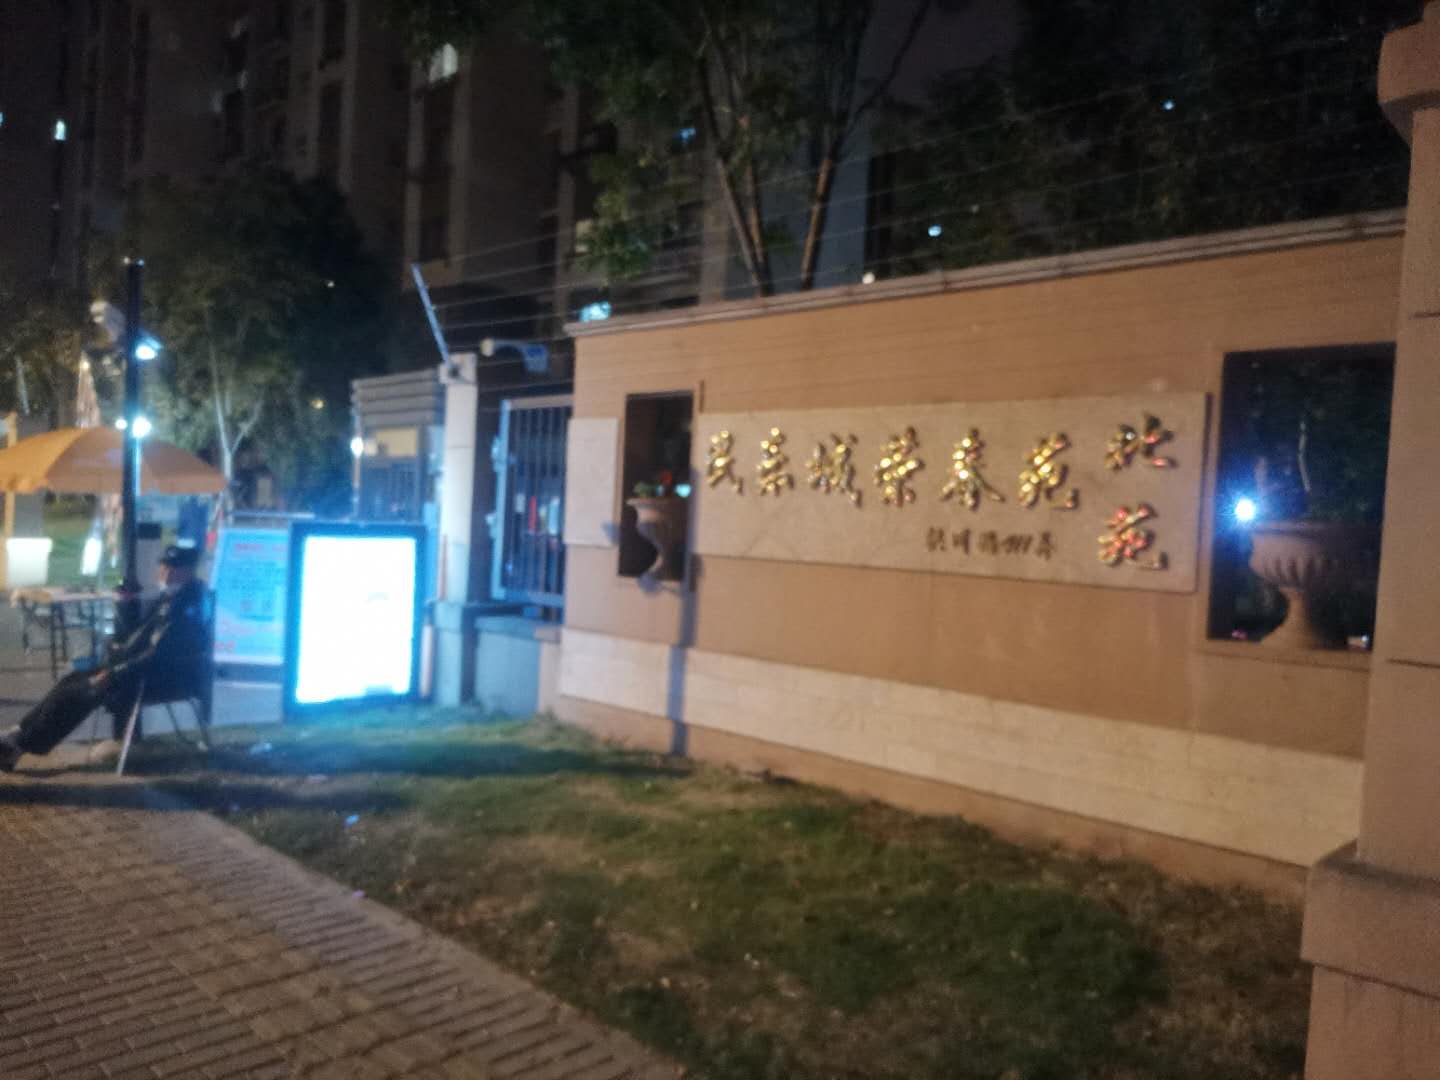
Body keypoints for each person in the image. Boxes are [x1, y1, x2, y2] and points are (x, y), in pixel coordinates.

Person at [0, 545, 208, 771]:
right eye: (164, 568)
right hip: (136, 669)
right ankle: (17, 733)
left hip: (156, 678)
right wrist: (118, 647)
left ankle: (19, 745)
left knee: (77, 694)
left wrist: (113, 673)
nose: (166, 574)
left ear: (189, 571)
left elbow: (157, 656)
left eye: (174, 569)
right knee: (71, 681)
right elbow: (142, 639)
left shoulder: (186, 605)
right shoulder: (173, 597)